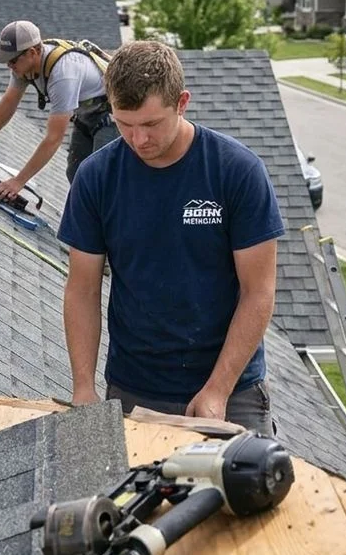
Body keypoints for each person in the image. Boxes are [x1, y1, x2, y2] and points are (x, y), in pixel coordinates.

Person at [57, 41, 285, 433]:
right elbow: (82, 289)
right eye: (124, 124)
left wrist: (218, 389)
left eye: (150, 124)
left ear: (182, 103)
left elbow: (258, 292)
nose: (138, 139)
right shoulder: (96, 178)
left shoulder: (237, 172)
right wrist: (83, 387)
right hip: (135, 388)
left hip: (233, 390)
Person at [0, 20, 120, 202]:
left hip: (113, 115)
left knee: (99, 176)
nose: (9, 66)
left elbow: (53, 138)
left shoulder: (63, 74)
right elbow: (9, 102)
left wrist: (18, 182)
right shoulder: (24, 66)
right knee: (76, 172)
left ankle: (110, 217)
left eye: (13, 60)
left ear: (33, 52)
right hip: (87, 113)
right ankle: (87, 213)